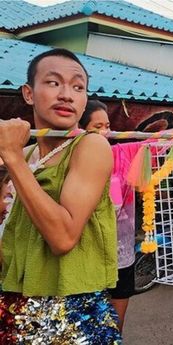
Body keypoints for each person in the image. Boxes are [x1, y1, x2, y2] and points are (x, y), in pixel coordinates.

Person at [0, 48, 122, 343]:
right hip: (15, 304)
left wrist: (12, 157)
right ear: (29, 93)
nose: (67, 94)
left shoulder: (90, 146)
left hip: (71, 313)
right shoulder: (26, 153)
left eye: (78, 87)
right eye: (54, 83)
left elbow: (63, 238)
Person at [79, 100, 136, 333]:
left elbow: (161, 141)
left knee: (115, 327)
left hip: (122, 255)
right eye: (97, 128)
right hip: (89, 256)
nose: (105, 133)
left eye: (108, 126)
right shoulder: (75, 164)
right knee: (89, 325)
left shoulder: (121, 155)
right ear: (80, 131)